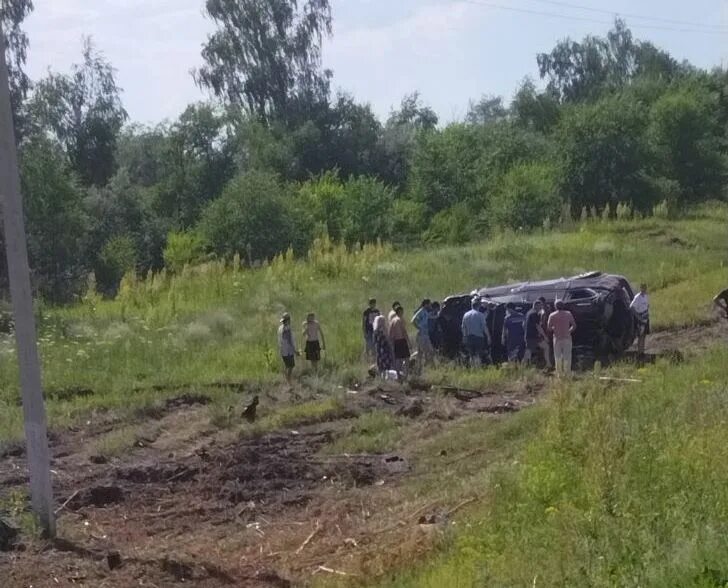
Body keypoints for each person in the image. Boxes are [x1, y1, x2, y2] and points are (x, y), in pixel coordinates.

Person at [547, 300, 576, 377]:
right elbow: (574, 325)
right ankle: (567, 373)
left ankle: (559, 373)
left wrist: (555, 328)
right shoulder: (568, 314)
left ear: (555, 306)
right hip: (567, 337)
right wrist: (569, 331)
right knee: (567, 356)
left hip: (557, 338)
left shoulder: (552, 315)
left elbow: (549, 328)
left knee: (557, 356)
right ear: (563, 305)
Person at [461, 298, 491, 367]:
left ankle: (472, 368)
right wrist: (488, 336)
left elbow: (463, 327)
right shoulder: (480, 315)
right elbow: (484, 327)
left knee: (471, 355)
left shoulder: (466, 315)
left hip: (469, 338)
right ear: (478, 306)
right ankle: (478, 368)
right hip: (478, 337)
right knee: (478, 354)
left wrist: (464, 336)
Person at [524, 299, 552, 369]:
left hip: (530, 335)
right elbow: (538, 326)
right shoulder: (534, 314)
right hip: (533, 336)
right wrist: (545, 336)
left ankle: (548, 364)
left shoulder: (528, 313)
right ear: (536, 305)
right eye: (540, 306)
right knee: (529, 351)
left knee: (530, 350)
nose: (541, 308)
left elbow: (523, 324)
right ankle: (525, 365)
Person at [388, 304, 411, 376]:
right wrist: (409, 342)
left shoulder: (392, 321)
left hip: (396, 342)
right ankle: (406, 375)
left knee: (398, 359)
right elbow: (404, 332)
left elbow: (390, 333)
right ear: (400, 312)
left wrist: (391, 342)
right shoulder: (400, 320)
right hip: (402, 340)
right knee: (406, 358)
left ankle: (398, 375)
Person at [411, 299, 433, 366]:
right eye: (429, 304)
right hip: (422, 335)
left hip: (425, 334)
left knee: (421, 353)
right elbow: (413, 320)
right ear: (426, 304)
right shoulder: (421, 311)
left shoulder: (426, 312)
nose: (430, 305)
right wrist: (418, 327)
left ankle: (418, 365)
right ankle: (427, 364)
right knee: (428, 351)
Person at [630, 283, 650, 356]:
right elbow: (631, 307)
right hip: (640, 318)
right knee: (640, 335)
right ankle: (639, 352)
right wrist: (638, 316)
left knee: (644, 335)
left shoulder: (646, 296)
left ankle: (642, 351)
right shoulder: (637, 297)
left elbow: (647, 305)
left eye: (645, 288)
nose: (644, 289)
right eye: (643, 288)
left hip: (646, 317)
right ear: (640, 288)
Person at [277, 313, 298, 384]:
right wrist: (295, 350)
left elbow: (292, 340)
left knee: (290, 366)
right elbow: (288, 341)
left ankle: (287, 379)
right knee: (290, 366)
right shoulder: (284, 329)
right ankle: (288, 380)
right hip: (286, 350)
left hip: (288, 351)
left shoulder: (288, 328)